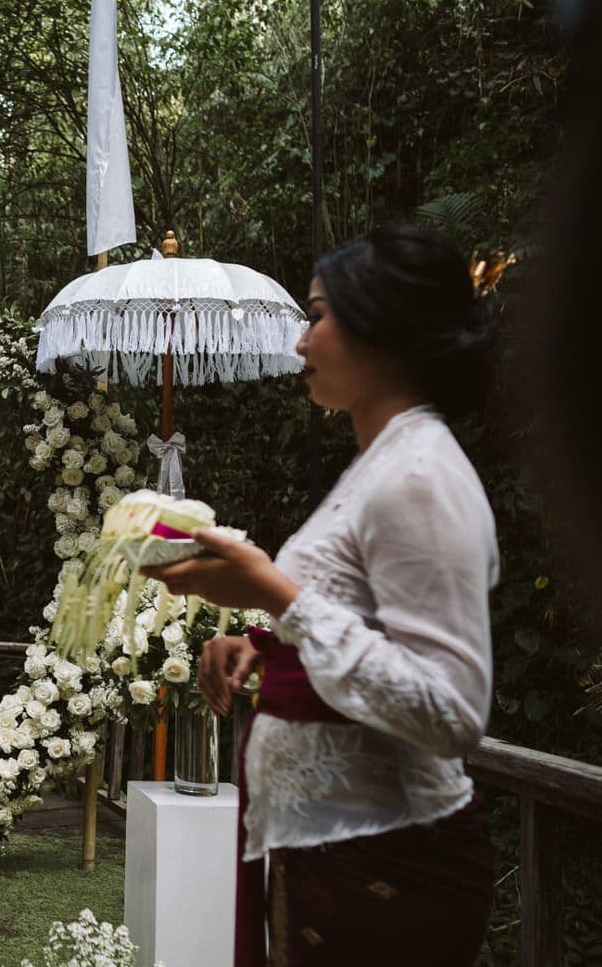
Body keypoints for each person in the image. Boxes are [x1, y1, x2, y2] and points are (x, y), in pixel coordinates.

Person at [143, 225, 497, 966]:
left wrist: (272, 590)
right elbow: (355, 622)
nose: (301, 343)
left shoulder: (421, 476)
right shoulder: (378, 462)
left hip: (387, 862)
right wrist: (262, 644)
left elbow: (453, 712)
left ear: (383, 326)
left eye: (317, 315)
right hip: (321, 850)